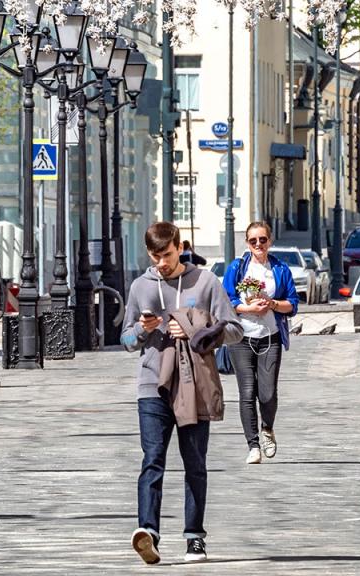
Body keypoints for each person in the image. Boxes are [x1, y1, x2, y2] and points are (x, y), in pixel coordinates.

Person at [121, 221, 243, 565]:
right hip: (152, 384)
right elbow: (126, 341)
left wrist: (195, 326)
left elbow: (232, 329)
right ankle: (148, 532)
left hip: (192, 385)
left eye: (168, 254)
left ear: (180, 246)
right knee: (152, 461)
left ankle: (194, 538)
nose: (162, 262)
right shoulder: (140, 286)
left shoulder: (205, 281)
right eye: (156, 256)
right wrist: (143, 332)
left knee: (195, 464)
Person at [222, 221, 299, 465]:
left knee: (267, 394)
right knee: (246, 392)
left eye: (262, 240)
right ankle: (253, 445)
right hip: (241, 337)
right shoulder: (238, 267)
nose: (258, 245)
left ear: (270, 241)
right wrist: (247, 308)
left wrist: (273, 304)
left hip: (270, 336)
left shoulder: (279, 269)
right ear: (247, 243)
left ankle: (268, 428)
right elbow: (226, 299)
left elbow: (293, 304)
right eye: (253, 241)